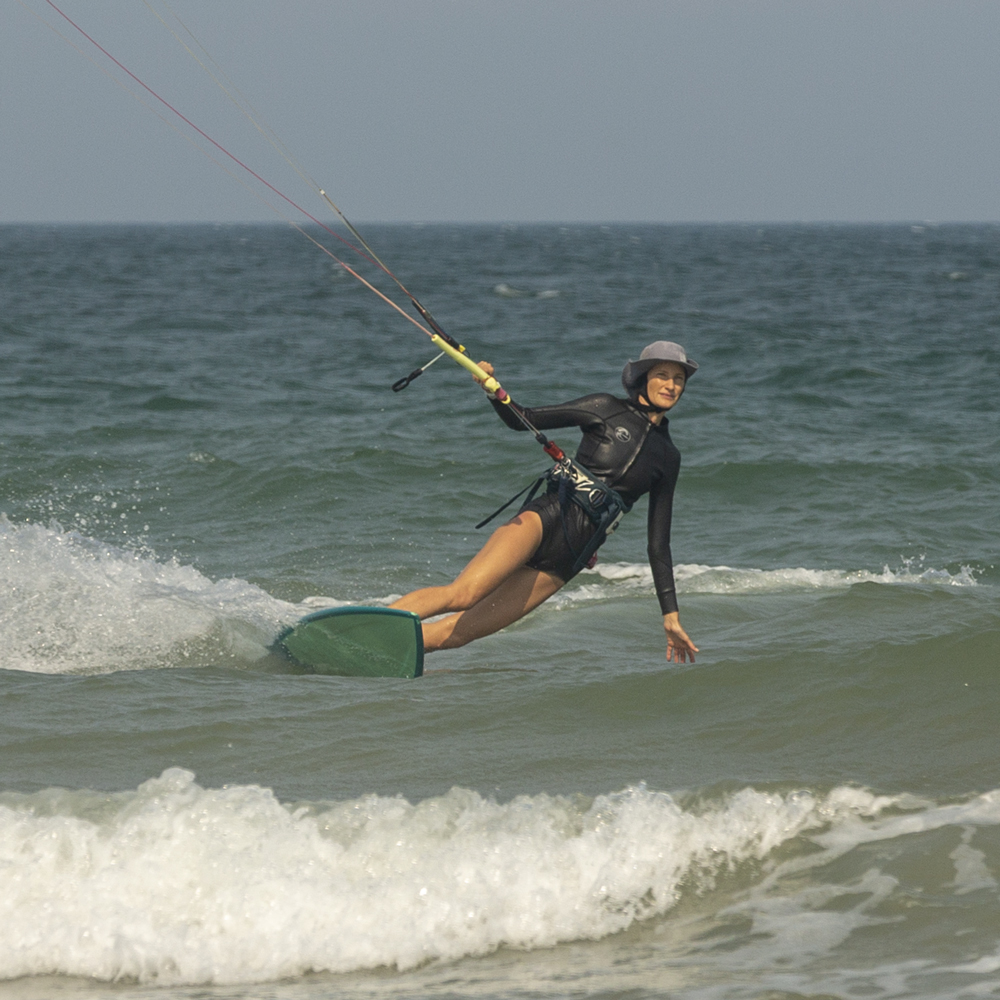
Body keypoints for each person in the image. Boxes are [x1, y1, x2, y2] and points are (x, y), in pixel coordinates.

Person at [389, 341, 699, 662]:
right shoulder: (606, 407)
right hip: (548, 516)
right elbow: (523, 418)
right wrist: (489, 387)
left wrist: (670, 615)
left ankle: (376, 651)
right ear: (644, 377)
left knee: (457, 634)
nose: (671, 385)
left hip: (572, 556)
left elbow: (659, 544)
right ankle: (364, 625)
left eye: (679, 379)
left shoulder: (668, 457)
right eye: (662, 375)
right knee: (464, 594)